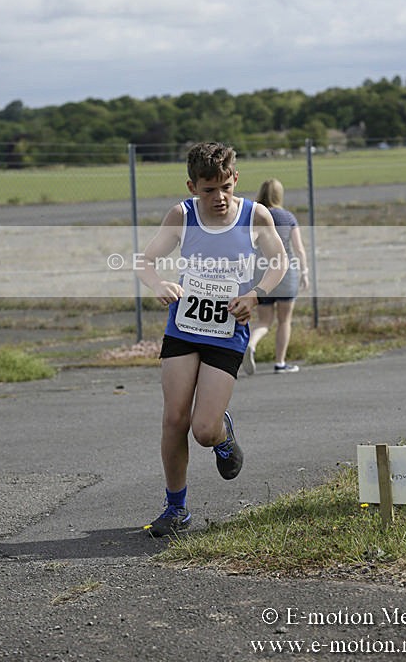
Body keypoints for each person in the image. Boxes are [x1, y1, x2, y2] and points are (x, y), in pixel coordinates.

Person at [137, 142, 287, 537]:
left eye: (225, 186)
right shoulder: (182, 216)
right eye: (208, 189)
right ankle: (176, 508)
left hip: (227, 330)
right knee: (174, 418)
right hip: (184, 326)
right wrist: (158, 284)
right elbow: (146, 261)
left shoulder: (256, 215)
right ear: (192, 187)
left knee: (203, 429)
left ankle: (223, 436)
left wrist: (255, 294)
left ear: (235, 179)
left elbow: (279, 260)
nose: (218, 197)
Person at [242, 178, 309, 376]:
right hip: (285, 273)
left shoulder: (255, 217)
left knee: (264, 321)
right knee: (284, 320)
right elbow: (298, 249)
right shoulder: (287, 217)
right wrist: (305, 272)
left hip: (262, 274)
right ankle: (280, 362)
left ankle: (251, 345)